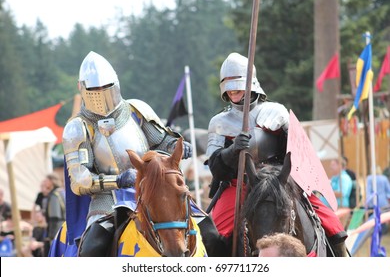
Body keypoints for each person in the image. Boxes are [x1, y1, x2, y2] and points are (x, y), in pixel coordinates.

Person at [206, 52, 348, 256]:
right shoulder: (219, 122)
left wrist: (284, 174)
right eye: (229, 89)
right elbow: (216, 169)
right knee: (217, 238)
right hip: (240, 184)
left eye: (237, 87)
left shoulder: (277, 112)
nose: (232, 93)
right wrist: (233, 149)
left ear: (250, 84)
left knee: (334, 227)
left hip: (280, 180)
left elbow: (298, 152)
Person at [61, 51, 192, 256]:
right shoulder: (78, 128)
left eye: (106, 87)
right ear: (83, 89)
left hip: (153, 189)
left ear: (115, 84)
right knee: (91, 249)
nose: (101, 93)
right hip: (106, 200)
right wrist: (118, 180)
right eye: (95, 89)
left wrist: (176, 145)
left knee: (207, 229)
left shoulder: (136, 109)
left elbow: (161, 140)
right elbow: (79, 181)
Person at [43, 173, 65, 256]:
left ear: (52, 182)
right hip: (65, 227)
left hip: (57, 230)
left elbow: (54, 217)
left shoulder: (54, 195)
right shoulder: (62, 192)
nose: (45, 182)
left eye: (46, 180)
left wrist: (51, 236)